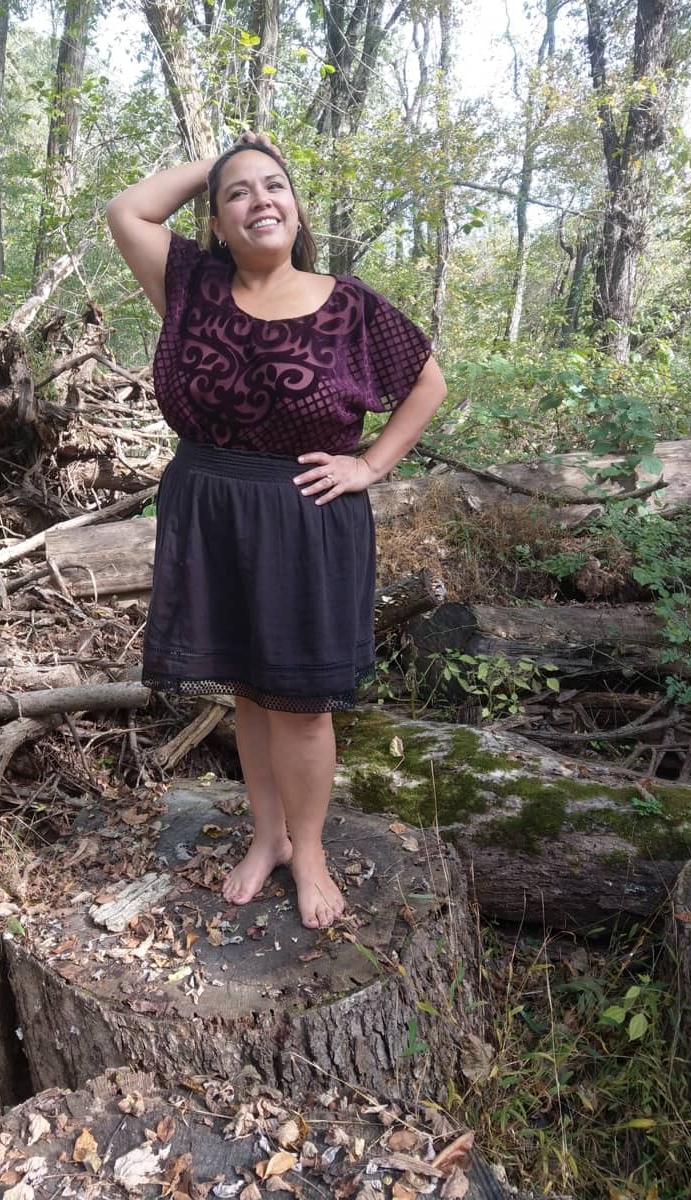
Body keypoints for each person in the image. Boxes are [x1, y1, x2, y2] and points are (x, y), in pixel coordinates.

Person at [106, 132, 446, 929]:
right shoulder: (189, 285)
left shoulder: (351, 305)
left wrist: (370, 466)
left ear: (297, 209)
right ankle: (269, 839)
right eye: (238, 193)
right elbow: (128, 209)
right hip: (209, 506)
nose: (261, 199)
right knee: (248, 693)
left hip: (305, 515)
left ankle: (313, 851)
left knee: (301, 705)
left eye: (275, 186)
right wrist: (228, 153)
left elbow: (427, 384)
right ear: (216, 222)